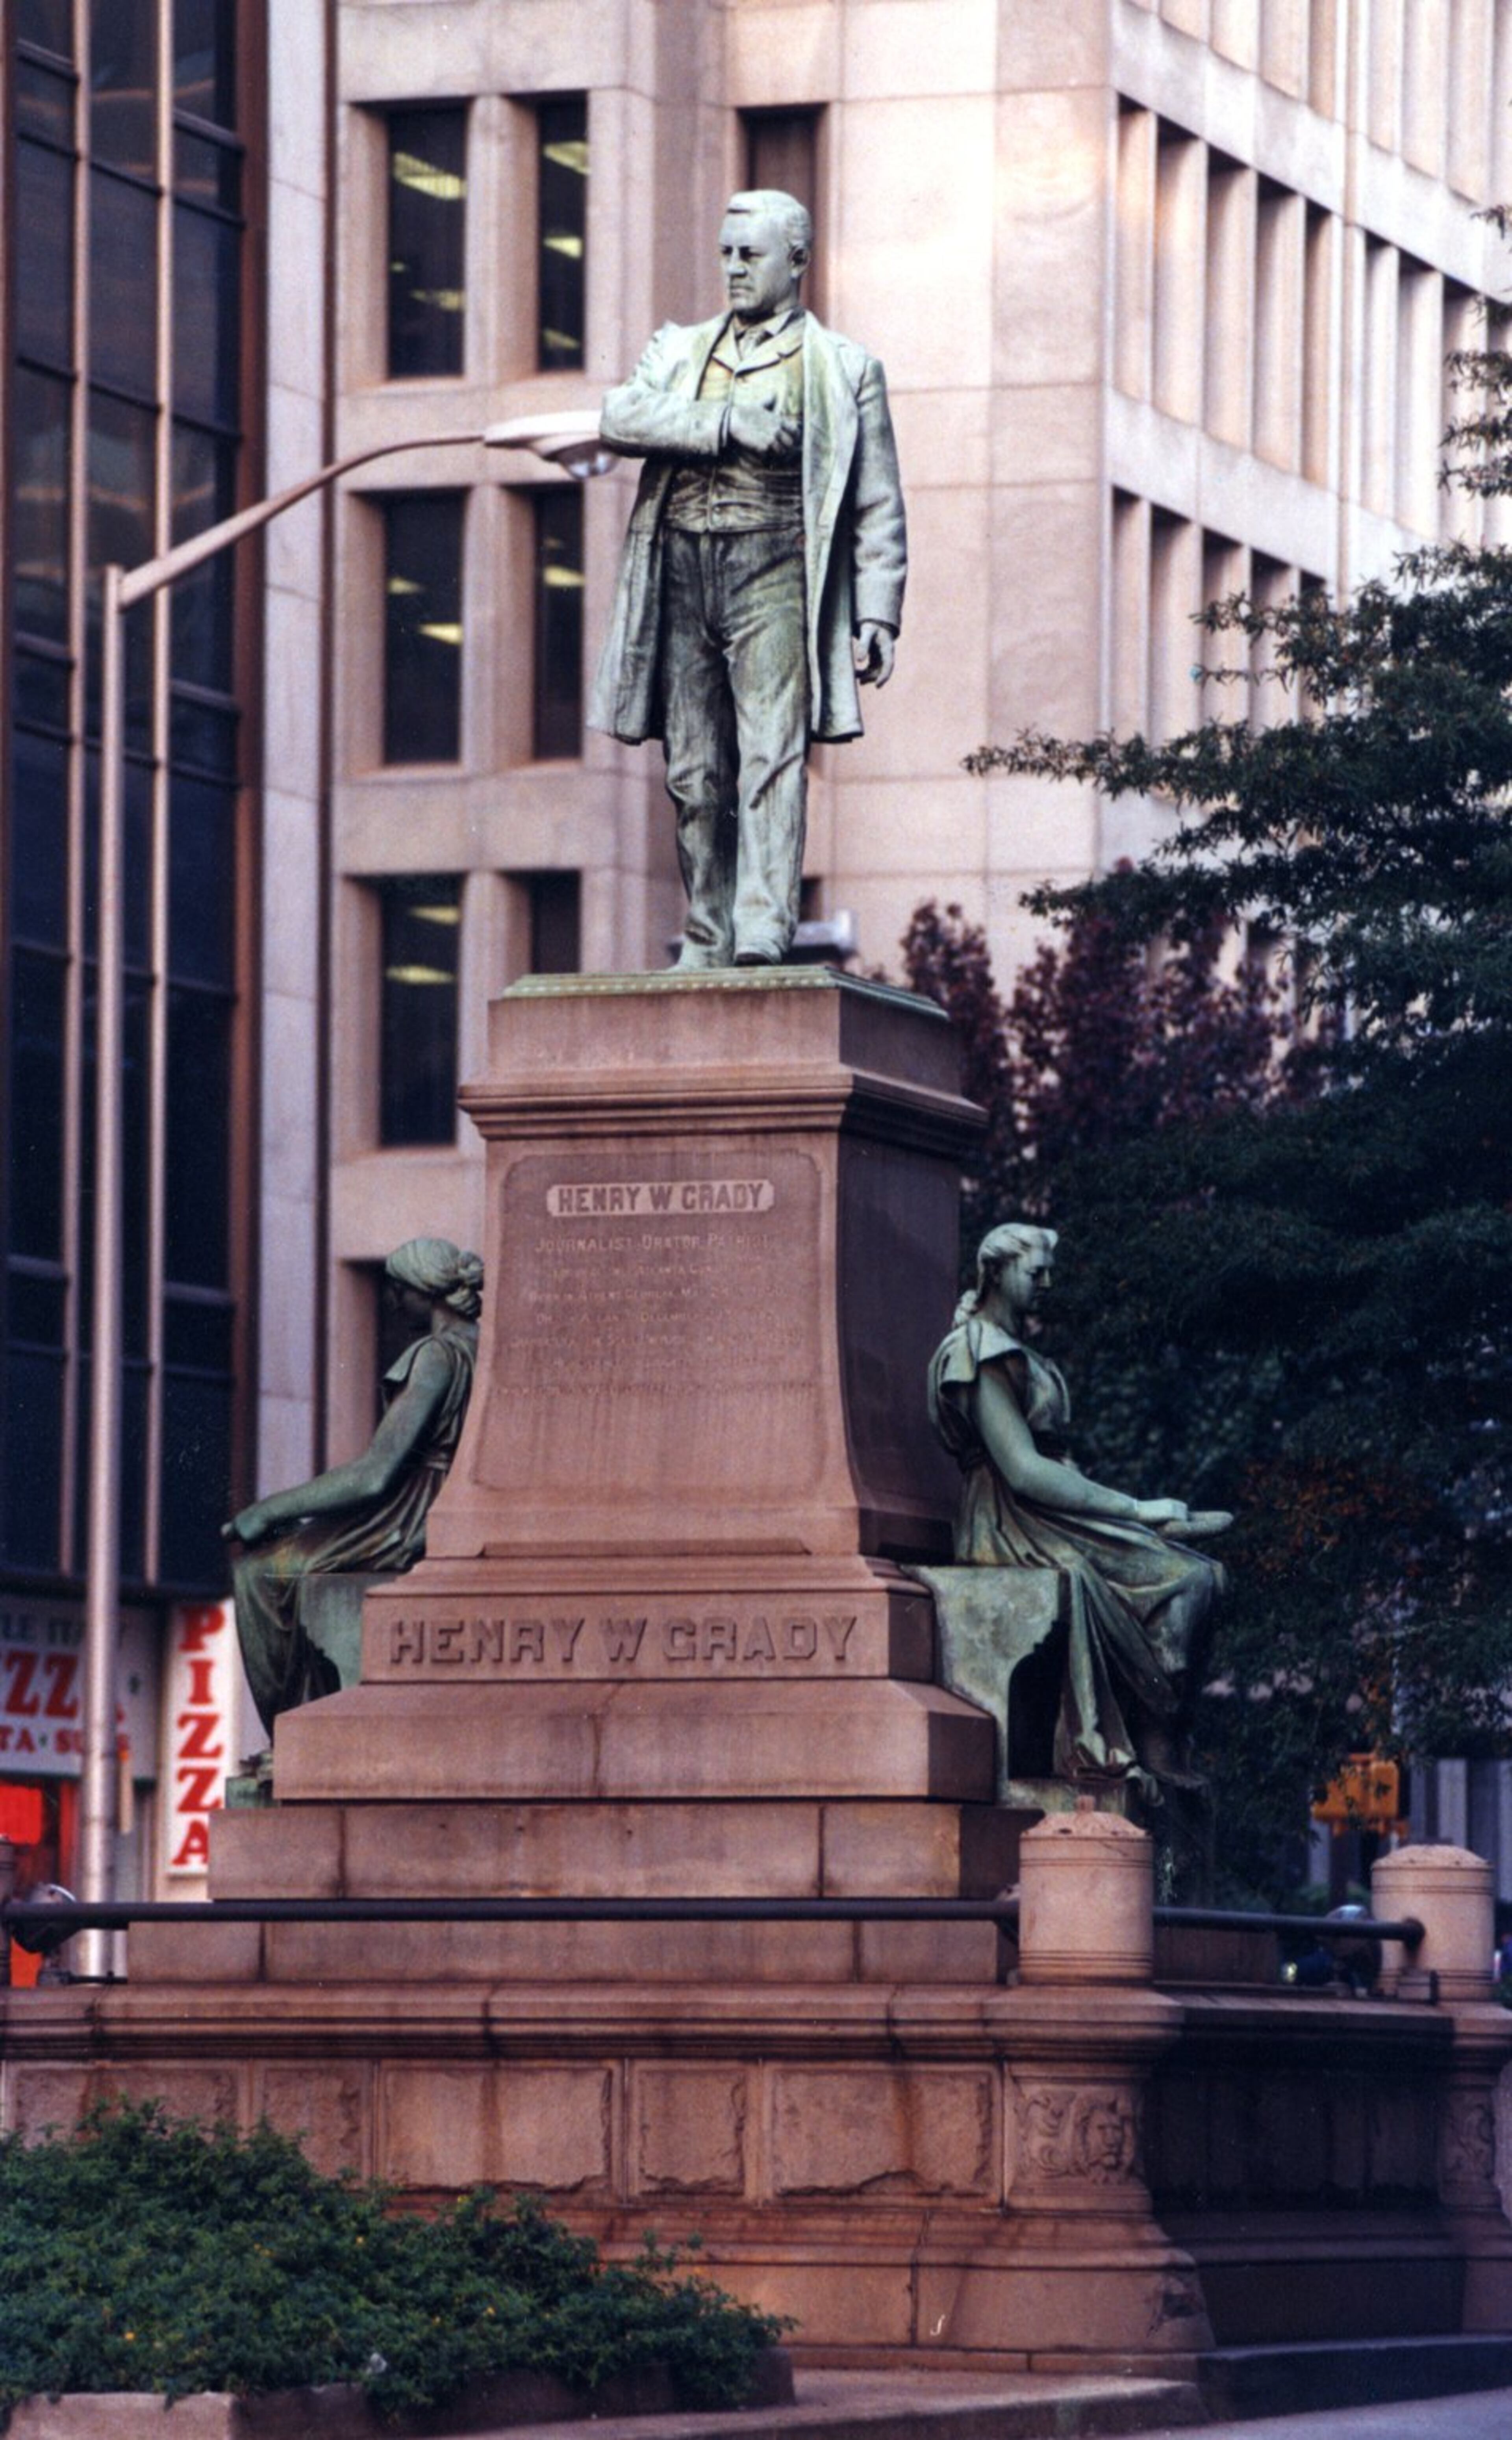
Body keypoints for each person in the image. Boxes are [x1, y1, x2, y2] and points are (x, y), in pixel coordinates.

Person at [589, 188, 907, 969]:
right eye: (726, 253)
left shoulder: (844, 368)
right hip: (683, 570)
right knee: (695, 771)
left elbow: (878, 502)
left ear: (796, 261)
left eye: (750, 254)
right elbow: (621, 416)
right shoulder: (681, 348)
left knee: (771, 754)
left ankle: (764, 926)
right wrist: (728, 422)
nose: (732, 267)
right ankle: (708, 933)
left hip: (774, 570)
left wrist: (877, 611)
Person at [925, 1222, 1228, 1792]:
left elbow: (1056, 1467)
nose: (1048, 1283)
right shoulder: (977, 1351)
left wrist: (1145, 1519)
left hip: (1048, 1513)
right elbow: (1023, 1469)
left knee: (1205, 1575)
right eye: (1035, 1273)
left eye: (1049, 1272)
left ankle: (1162, 1734)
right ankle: (1154, 1739)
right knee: (1186, 1580)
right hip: (1010, 1521)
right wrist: (1137, 1512)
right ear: (996, 1273)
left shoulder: (1020, 1353)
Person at [222, 1238, 483, 1736]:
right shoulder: (482, 1350)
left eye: (398, 1289)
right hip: (442, 1498)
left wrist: (268, 1510)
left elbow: (374, 1475)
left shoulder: (436, 1356)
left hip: (414, 1510)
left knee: (261, 1573)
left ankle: (292, 1737)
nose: (392, 1300)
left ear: (422, 1291)